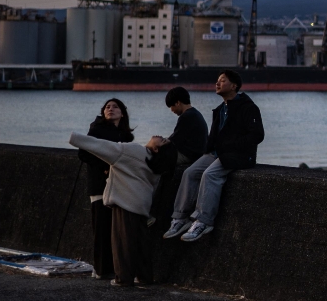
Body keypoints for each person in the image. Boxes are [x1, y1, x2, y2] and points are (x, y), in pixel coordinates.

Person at [164, 70, 264, 243]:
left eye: (222, 81)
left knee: (210, 175)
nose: (217, 83)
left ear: (234, 86)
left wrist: (231, 145)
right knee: (190, 172)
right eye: (217, 80)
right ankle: (180, 217)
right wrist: (209, 150)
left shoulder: (248, 107)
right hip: (219, 153)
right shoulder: (220, 109)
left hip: (239, 155)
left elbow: (257, 135)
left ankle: (204, 221)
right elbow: (214, 137)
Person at [69, 120, 160, 286]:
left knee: (122, 243)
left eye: (163, 140)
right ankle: (144, 277)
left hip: (125, 202)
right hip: (142, 204)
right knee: (141, 244)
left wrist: (76, 138)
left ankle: (122, 279)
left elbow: (103, 147)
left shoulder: (134, 150)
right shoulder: (155, 163)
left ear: (157, 148)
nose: (161, 136)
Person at [77, 98, 133, 279]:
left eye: (115, 107)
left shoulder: (125, 136)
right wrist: (104, 166)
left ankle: (114, 268)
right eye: (107, 107)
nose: (111, 109)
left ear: (122, 113)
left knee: (115, 230)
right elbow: (83, 152)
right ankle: (101, 270)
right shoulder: (97, 129)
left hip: (118, 187)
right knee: (101, 229)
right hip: (99, 185)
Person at [145, 87, 208, 227]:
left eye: (171, 106)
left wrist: (154, 145)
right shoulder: (195, 114)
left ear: (178, 103)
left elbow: (172, 141)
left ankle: (150, 211)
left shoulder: (186, 117)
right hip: (196, 154)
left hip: (189, 155)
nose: (171, 110)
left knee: (155, 161)